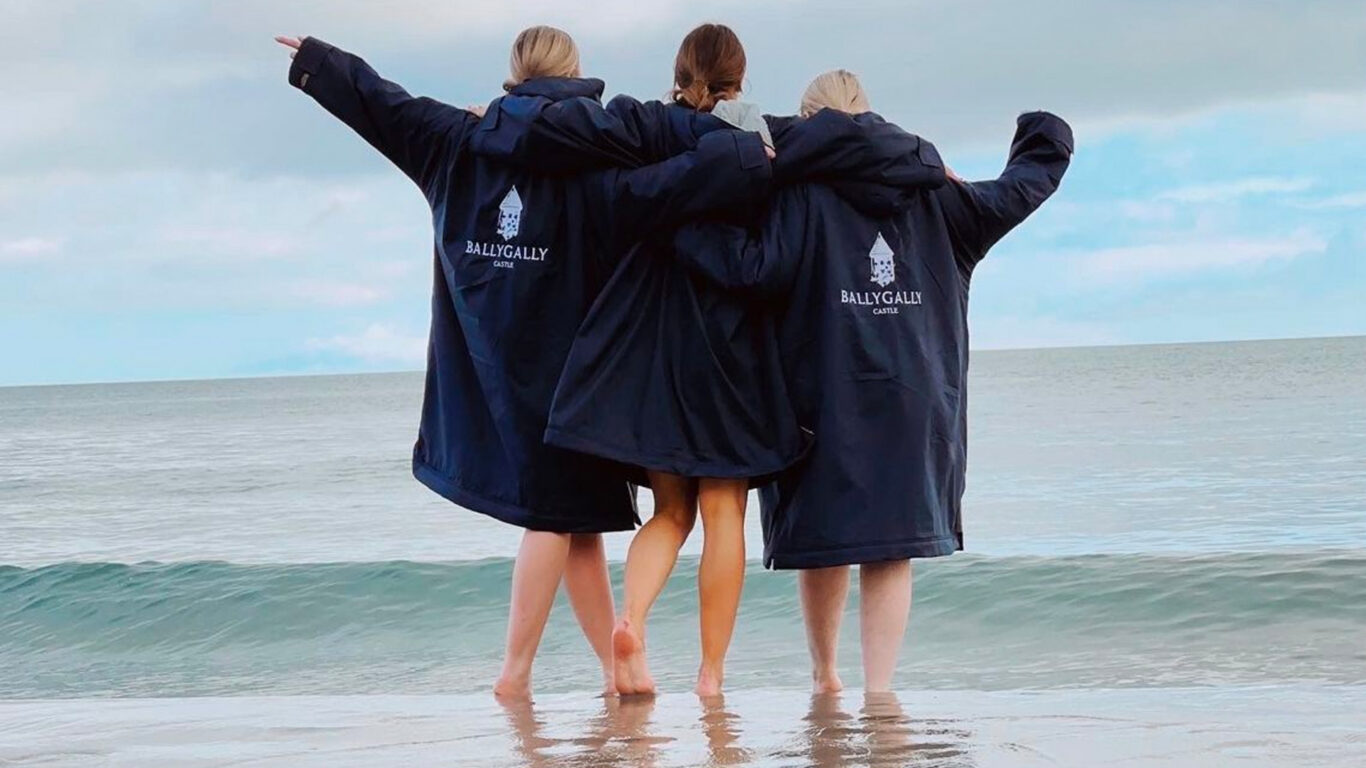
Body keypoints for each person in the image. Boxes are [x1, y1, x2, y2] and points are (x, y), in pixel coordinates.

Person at [276, 26, 775, 700]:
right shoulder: (596, 145)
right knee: (554, 514)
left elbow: (386, 106)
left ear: (515, 73)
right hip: (573, 361)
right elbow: (669, 179)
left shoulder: (457, 138)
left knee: (576, 517)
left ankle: (615, 669)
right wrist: (744, 154)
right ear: (574, 72)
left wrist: (321, 63)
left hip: (490, 361)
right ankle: (514, 676)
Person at [488, 25, 941, 697]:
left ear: (678, 74)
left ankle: (633, 620)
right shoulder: (768, 139)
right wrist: (924, 161)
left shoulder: (646, 127)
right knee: (723, 510)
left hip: (651, 340)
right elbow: (842, 150)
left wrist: (498, 114)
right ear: (741, 77)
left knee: (671, 513)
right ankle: (710, 676)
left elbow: (575, 132)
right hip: (730, 343)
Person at [673, 69, 1073, 693]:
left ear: (807, 122)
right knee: (891, 550)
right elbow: (1019, 189)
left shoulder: (797, 195)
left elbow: (750, 268)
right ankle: (879, 693)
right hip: (916, 403)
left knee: (825, 541)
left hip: (820, 400)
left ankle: (826, 678)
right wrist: (1043, 134)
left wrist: (678, 220)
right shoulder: (937, 190)